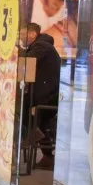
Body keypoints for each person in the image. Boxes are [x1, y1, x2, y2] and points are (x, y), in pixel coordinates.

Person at [21, 22, 61, 169]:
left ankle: (28, 135)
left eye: (23, 34)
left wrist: (14, 53)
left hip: (47, 95)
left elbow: (26, 61)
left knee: (21, 106)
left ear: (32, 34)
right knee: (34, 116)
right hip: (47, 93)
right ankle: (33, 137)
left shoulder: (41, 47)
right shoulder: (41, 46)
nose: (21, 37)